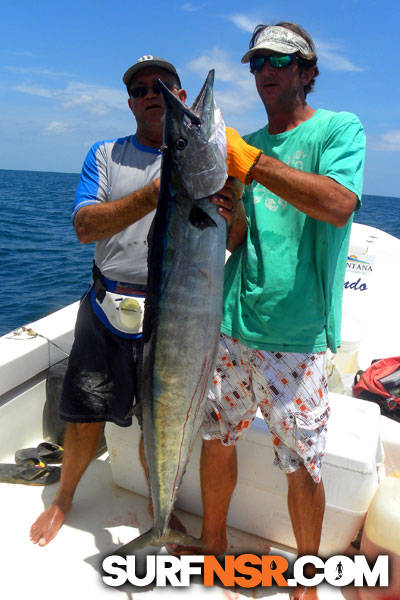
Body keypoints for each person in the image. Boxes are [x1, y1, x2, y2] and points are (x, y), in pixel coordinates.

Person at [188, 22, 366, 600]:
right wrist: (232, 207)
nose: (265, 70)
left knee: (300, 464)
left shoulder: (340, 129)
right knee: (217, 437)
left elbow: (338, 205)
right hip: (232, 325)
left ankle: (308, 580)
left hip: (297, 336)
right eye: (257, 61)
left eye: (280, 61)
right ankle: (213, 545)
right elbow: (241, 241)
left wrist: (253, 163)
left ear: (308, 71)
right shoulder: (251, 149)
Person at [29, 55, 234, 547]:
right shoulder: (106, 155)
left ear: (179, 98)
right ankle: (64, 498)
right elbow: (84, 227)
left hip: (174, 320)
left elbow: (234, 242)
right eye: (141, 89)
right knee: (83, 416)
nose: (151, 94)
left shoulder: (217, 172)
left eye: (161, 86)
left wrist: (234, 207)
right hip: (108, 310)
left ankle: (156, 510)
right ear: (131, 103)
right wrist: (154, 195)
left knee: (159, 417)